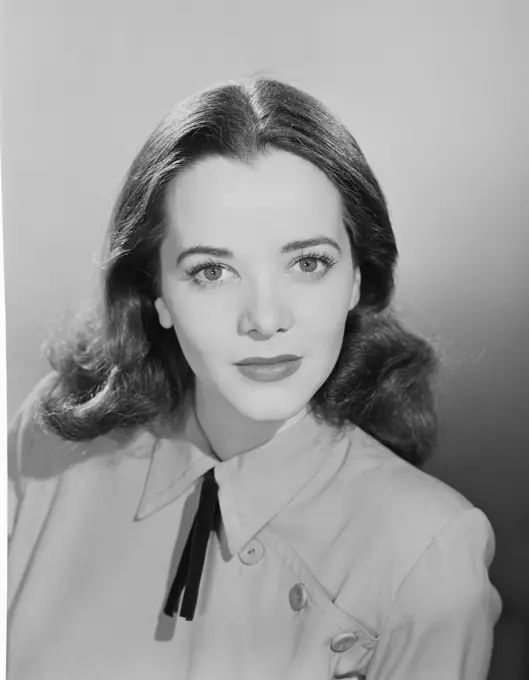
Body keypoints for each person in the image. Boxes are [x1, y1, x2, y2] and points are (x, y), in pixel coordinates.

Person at [7, 77, 502, 680]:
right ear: (156, 292)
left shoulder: (429, 553)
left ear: (355, 279)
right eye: (212, 270)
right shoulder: (54, 439)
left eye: (309, 263)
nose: (265, 319)